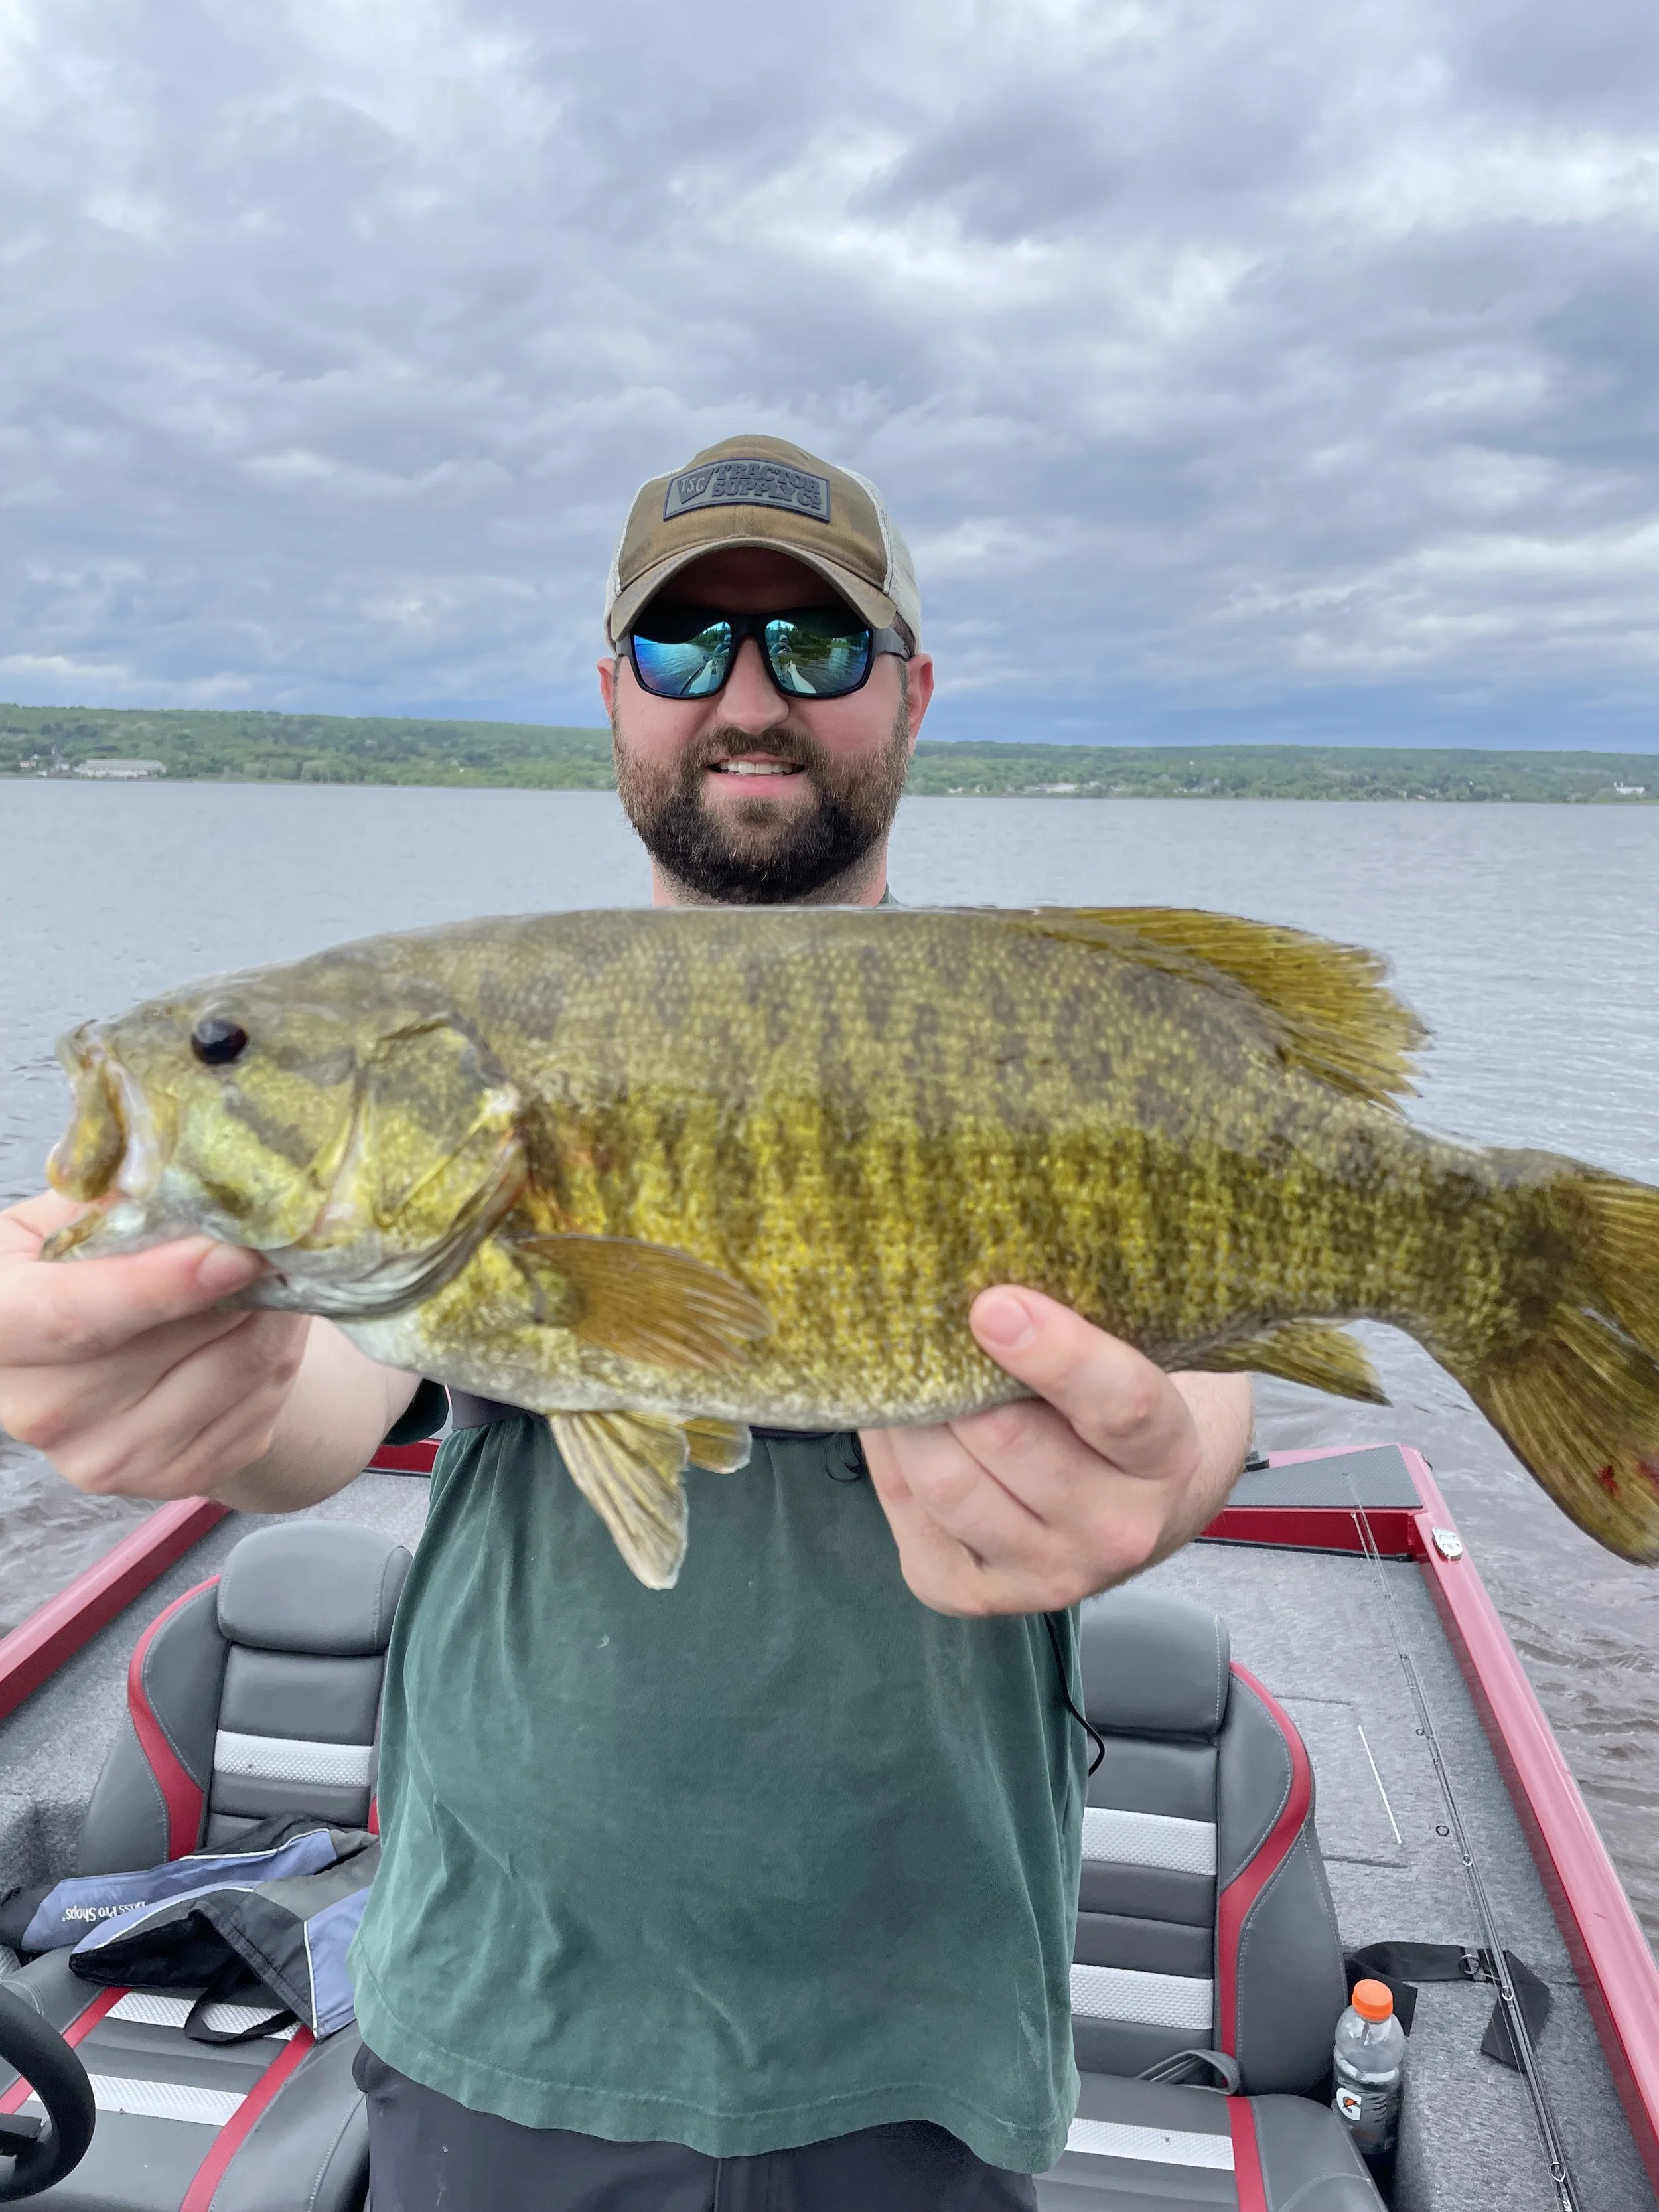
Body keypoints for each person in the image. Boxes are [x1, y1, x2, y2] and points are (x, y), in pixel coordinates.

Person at [0, 434, 1252, 2211]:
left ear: (911, 689)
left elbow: (1195, 1361)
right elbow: (304, 1392)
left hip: (926, 2041)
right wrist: (181, 1371)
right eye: (685, 650)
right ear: (612, 693)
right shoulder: (485, 1075)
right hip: (500, 2027)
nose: (748, 697)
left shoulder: (1023, 1043)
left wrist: (1186, 1461)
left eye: (813, 647)